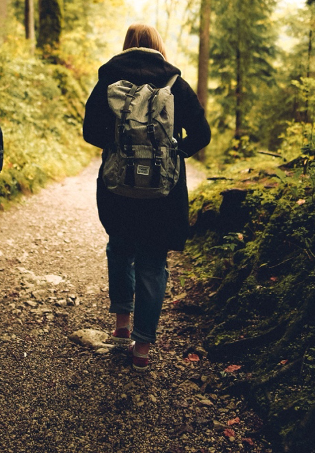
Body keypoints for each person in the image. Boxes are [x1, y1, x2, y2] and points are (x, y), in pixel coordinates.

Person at [83, 24, 211, 371]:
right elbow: (202, 134)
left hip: (117, 188)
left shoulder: (108, 83)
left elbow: (89, 131)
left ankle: (121, 326)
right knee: (153, 263)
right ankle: (142, 350)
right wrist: (172, 152)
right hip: (162, 193)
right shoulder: (175, 84)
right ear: (158, 47)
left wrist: (120, 147)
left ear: (126, 47)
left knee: (119, 248)